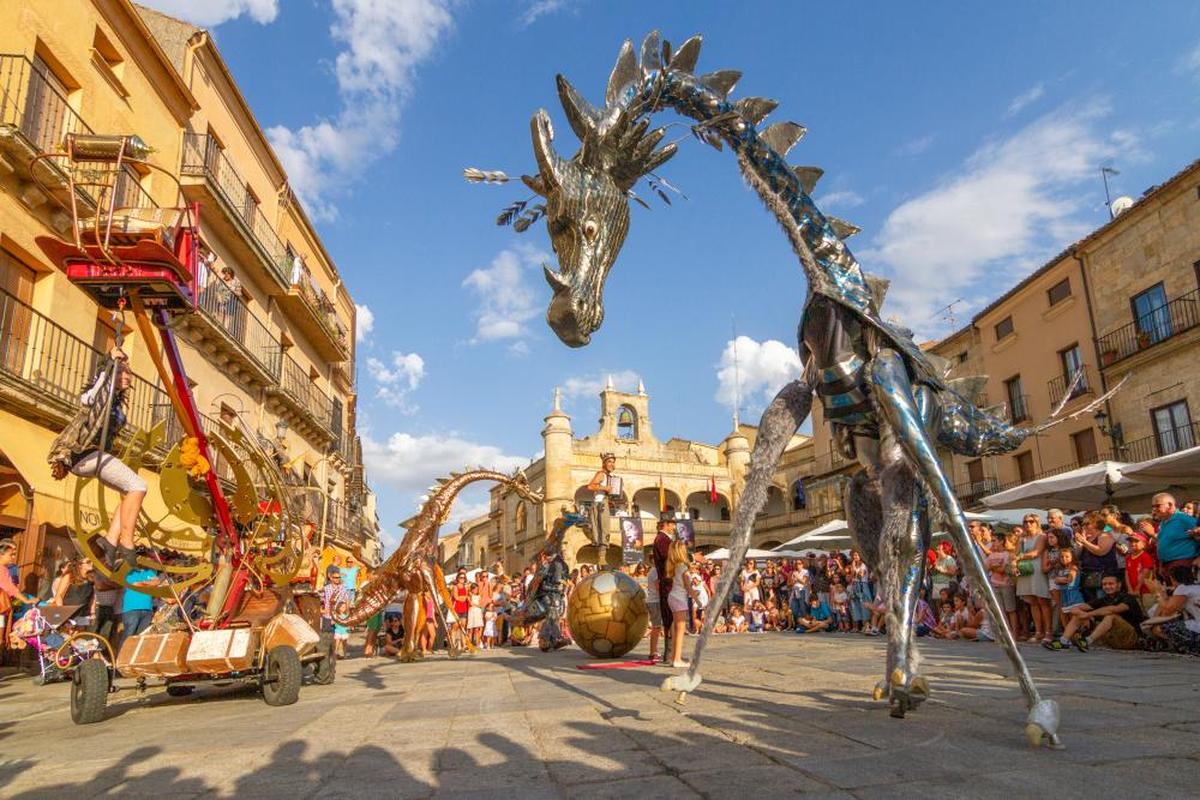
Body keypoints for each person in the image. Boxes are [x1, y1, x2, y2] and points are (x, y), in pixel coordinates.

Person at [48, 348, 148, 569]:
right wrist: (109, 362)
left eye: (129, 373)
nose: (127, 377)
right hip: (85, 454)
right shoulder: (100, 394)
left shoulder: (116, 402)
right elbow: (94, 393)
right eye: (123, 372)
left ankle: (110, 541)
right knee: (139, 486)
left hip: (95, 456)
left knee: (128, 493)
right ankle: (126, 540)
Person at [1057, 574, 1143, 652]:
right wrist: (1081, 614)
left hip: (1133, 638)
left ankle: (1087, 641)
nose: (1107, 586)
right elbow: (1075, 608)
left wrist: (1089, 614)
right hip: (1113, 638)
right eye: (1104, 584)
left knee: (1111, 616)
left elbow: (1113, 609)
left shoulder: (1128, 598)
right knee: (1078, 616)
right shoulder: (1104, 599)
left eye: (1111, 584)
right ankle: (1063, 641)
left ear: (1119, 585)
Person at [1144, 566, 1200, 655]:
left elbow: (1168, 609)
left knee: (1159, 629)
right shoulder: (1195, 587)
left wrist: (1157, 592)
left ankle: (1190, 647)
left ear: (1173, 578)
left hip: (1197, 628)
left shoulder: (1183, 589)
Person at [1015, 513, 1052, 644]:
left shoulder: (1042, 536)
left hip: (1036, 570)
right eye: (1025, 522)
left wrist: (1019, 557)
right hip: (1025, 570)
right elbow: (1016, 553)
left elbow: (1037, 552)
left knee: (1042, 600)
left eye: (1031, 521)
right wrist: (1017, 558)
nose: (1028, 524)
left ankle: (1048, 632)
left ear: (1037, 522)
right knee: (1032, 602)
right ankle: (1038, 631)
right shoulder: (1021, 539)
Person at [1044, 550, 1084, 649]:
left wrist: (1058, 580)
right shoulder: (1060, 569)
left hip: (1073, 595)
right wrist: (1058, 580)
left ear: (1072, 557)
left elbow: (1070, 580)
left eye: (1067, 557)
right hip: (1065, 595)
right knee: (1064, 614)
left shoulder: (1073, 568)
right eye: (1062, 557)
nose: (1064, 559)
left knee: (1073, 616)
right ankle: (1067, 638)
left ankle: (1076, 637)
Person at [666, 538, 697, 667]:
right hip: (679, 599)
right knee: (680, 630)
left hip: (672, 597)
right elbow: (687, 586)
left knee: (675, 629)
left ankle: (674, 657)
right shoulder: (683, 566)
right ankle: (677, 659)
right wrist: (697, 597)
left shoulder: (672, 565)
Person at [1075, 511, 1118, 603]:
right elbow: (1077, 556)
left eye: (1087, 523)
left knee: (1102, 602)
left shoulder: (1104, 535)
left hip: (1102, 576)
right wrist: (1081, 544)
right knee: (1091, 604)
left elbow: (1101, 551)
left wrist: (1084, 542)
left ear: (1096, 524)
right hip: (1089, 576)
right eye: (1083, 524)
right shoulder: (1088, 538)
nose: (1084, 526)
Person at [1150, 493, 1199, 575]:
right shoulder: (1163, 522)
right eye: (1153, 506)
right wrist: (1162, 564)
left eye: (1158, 506)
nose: (1154, 509)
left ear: (1170, 505)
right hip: (1168, 566)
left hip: (1182, 564)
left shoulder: (1183, 518)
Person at [585, 453, 618, 551]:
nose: (611, 464)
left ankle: (602, 552)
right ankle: (601, 555)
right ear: (604, 463)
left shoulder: (609, 476)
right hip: (599, 504)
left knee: (605, 530)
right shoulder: (601, 474)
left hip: (604, 503)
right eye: (609, 462)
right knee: (602, 531)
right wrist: (605, 488)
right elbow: (590, 486)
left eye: (613, 462)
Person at [121, 563, 160, 644]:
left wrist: (143, 583)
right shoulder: (129, 572)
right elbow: (136, 584)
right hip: (132, 609)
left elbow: (157, 582)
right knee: (129, 636)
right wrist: (149, 583)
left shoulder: (149, 571)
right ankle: (121, 655)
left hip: (147, 609)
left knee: (142, 636)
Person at [1125, 532, 1158, 612]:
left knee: (1150, 611)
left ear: (1144, 544)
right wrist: (1130, 589)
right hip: (1133, 591)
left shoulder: (1145, 556)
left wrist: (1137, 589)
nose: (1133, 543)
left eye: (1136, 541)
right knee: (1140, 612)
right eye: (1131, 541)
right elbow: (1126, 574)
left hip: (1146, 591)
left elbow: (1145, 573)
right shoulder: (1128, 557)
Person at [644, 561, 664, 661]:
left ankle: (654, 650)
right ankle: (653, 652)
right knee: (656, 627)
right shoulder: (655, 571)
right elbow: (658, 587)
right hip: (655, 601)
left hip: (654, 600)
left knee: (658, 627)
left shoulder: (654, 570)